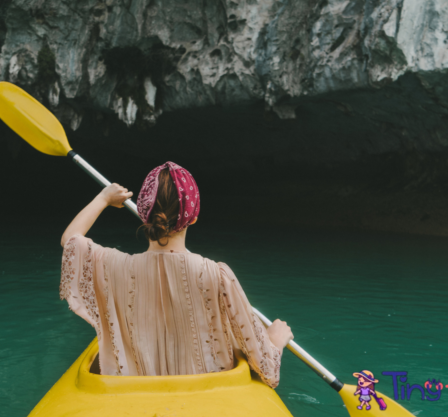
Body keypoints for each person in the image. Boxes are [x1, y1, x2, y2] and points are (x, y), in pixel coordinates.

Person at [59, 161, 293, 387]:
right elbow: (266, 369)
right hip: (205, 393)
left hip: (132, 394)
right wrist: (274, 342)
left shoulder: (114, 267)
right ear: (194, 217)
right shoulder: (217, 274)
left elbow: (70, 241)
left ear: (143, 214)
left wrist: (103, 198)